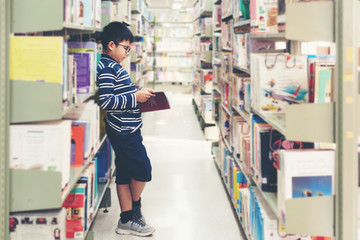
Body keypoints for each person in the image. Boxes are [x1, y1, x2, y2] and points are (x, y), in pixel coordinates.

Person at [96, 21, 156, 237]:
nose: (127, 52)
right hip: (123, 131)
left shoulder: (114, 66)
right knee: (143, 170)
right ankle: (136, 207)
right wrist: (135, 97)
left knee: (123, 173)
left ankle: (126, 220)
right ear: (111, 45)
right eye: (125, 48)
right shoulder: (106, 68)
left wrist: (138, 91)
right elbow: (107, 101)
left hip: (128, 128)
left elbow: (121, 92)